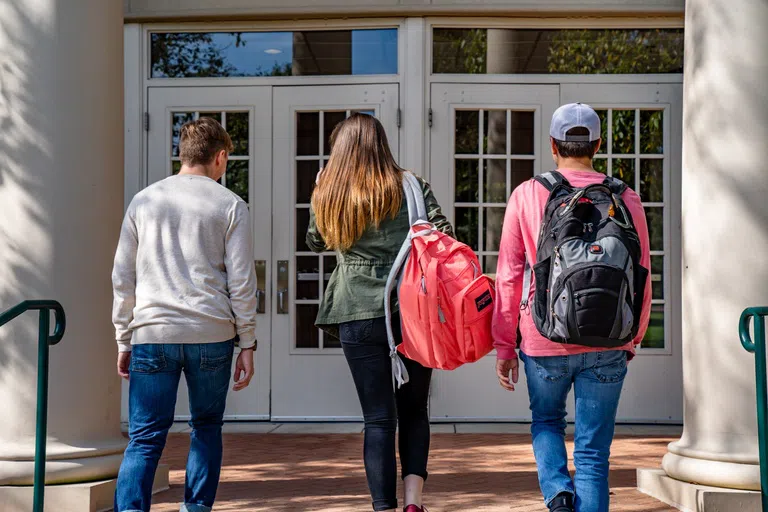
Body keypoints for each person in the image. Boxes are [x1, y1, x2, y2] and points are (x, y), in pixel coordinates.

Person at [492, 103, 652, 512]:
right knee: (594, 455)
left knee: (546, 422)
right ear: (597, 145)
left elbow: (509, 276)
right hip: (608, 342)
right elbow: (643, 274)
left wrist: (505, 347)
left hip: (544, 339)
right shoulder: (626, 197)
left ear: (553, 145)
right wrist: (632, 338)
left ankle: (559, 494)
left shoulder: (528, 194)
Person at [306, 113, 453, 512]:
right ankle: (413, 501)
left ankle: (382, 507)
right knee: (414, 411)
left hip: (356, 308)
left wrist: (319, 192)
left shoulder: (331, 192)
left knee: (377, 419)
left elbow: (316, 242)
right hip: (412, 309)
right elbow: (444, 236)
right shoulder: (411, 185)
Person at [112, 117, 257, 512]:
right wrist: (247, 342)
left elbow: (123, 276)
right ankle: (196, 509)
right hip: (211, 334)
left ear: (183, 154)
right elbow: (242, 282)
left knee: (145, 437)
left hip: (152, 333)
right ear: (221, 157)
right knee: (206, 427)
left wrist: (124, 337)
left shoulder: (144, 201)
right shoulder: (230, 205)